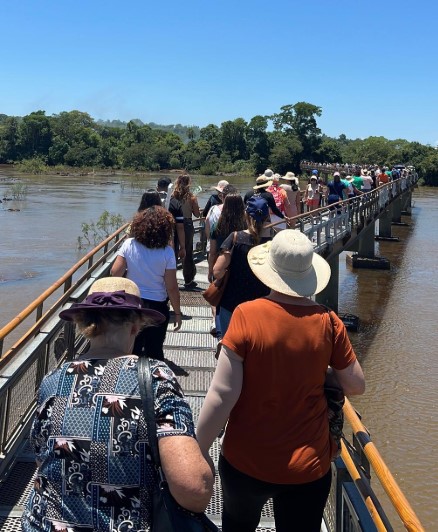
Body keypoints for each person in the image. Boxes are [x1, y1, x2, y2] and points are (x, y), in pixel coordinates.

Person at [196, 230, 365, 532]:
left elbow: (222, 394)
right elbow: (356, 386)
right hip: (308, 467)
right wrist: (321, 372)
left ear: (269, 270)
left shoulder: (246, 315)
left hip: (245, 461)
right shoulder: (329, 322)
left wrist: (199, 452)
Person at [22, 277, 214, 532]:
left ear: (83, 325)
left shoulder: (52, 381)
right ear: (136, 325)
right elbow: (193, 490)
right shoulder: (156, 378)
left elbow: (43, 459)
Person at [111, 206, 182, 359]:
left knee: (130, 351)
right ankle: (153, 380)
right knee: (154, 351)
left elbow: (114, 272)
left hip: (131, 304)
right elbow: (172, 287)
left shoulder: (129, 244)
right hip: (156, 307)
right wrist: (177, 313)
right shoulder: (167, 252)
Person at [212, 196, 272, 337]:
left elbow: (217, 271)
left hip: (232, 301)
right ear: (267, 217)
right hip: (261, 303)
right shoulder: (273, 242)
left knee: (229, 344)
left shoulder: (235, 238)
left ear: (246, 214)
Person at [172, 174, 200, 289]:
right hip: (187, 224)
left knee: (172, 252)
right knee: (187, 252)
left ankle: (170, 279)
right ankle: (188, 280)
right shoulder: (191, 197)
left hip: (173, 224)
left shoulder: (173, 195)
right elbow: (197, 214)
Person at [156, 177, 186, 261]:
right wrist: (182, 247)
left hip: (151, 241)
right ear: (171, 188)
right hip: (172, 243)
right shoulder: (176, 203)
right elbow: (180, 227)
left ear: (157, 187)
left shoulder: (151, 200)